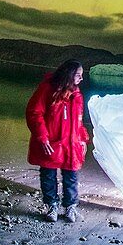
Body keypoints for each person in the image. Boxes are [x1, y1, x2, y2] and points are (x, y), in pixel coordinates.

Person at [25, 59, 89, 223]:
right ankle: (52, 205)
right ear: (69, 75)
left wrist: (83, 140)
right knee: (48, 175)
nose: (81, 79)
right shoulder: (48, 89)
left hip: (71, 144)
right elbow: (34, 113)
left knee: (71, 176)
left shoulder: (76, 95)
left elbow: (79, 121)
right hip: (51, 143)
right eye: (78, 75)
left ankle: (70, 207)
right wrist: (42, 137)